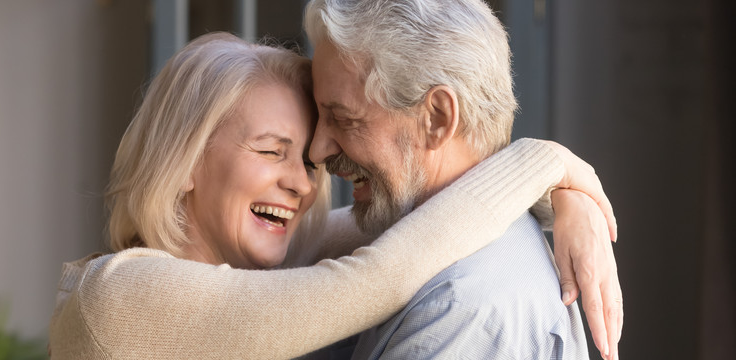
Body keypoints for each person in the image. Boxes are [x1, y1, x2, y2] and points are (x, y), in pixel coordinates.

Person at [48, 32, 616, 359]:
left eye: (306, 159)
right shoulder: (120, 298)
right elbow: (381, 275)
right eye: (271, 151)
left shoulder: (260, 265)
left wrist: (568, 200)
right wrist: (545, 162)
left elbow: (427, 215)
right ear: (187, 161)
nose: (301, 180)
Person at [302, 0, 622, 359]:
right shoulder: (422, 253)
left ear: (437, 119)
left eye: (343, 119)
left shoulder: (457, 312)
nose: (316, 151)